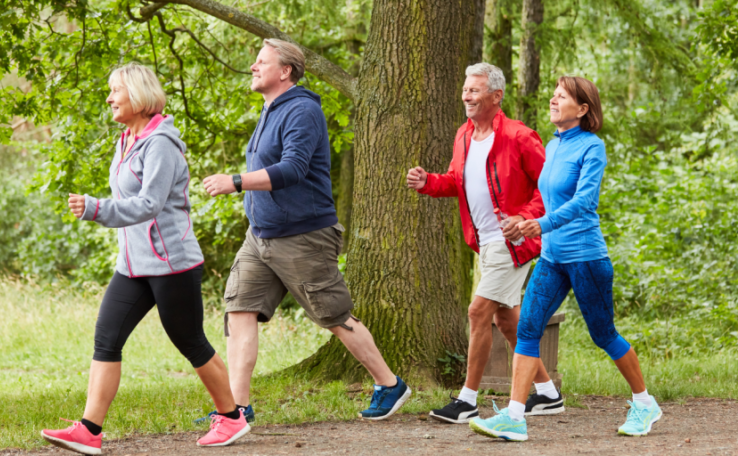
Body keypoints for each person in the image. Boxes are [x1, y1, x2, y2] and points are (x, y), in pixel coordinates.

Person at [40, 64, 250, 455]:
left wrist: (96, 208)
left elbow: (150, 203)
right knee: (107, 337)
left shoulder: (161, 144)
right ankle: (89, 429)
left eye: (115, 90)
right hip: (133, 266)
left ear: (137, 95)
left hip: (172, 263)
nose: (109, 98)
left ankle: (232, 418)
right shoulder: (127, 139)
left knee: (190, 341)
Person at [202, 39, 411, 421]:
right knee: (239, 310)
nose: (253, 66)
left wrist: (236, 181)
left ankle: (389, 384)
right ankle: (236, 409)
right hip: (260, 235)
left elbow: (293, 169)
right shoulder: (270, 110)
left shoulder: (301, 110)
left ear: (285, 71)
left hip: (303, 236)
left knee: (334, 315)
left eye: (261, 61)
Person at [470, 76, 662, 442]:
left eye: (562, 96)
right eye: (554, 95)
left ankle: (644, 402)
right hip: (552, 257)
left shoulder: (592, 148)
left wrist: (539, 225)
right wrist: (522, 221)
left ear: (583, 109)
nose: (554, 100)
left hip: (586, 257)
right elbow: (546, 198)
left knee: (603, 333)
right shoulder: (553, 146)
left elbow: (585, 202)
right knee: (528, 329)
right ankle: (514, 417)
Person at [406, 63, 562, 424]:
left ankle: (467, 400)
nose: (466, 96)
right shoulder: (463, 134)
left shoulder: (520, 136)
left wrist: (525, 220)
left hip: (514, 244)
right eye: (465, 89)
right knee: (508, 322)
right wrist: (428, 181)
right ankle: (549, 394)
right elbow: (456, 181)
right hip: (485, 244)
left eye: (474, 90)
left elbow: (550, 188)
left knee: (478, 312)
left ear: (496, 96)